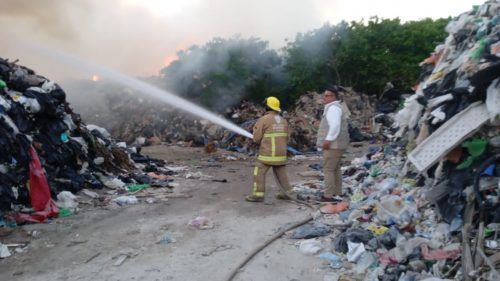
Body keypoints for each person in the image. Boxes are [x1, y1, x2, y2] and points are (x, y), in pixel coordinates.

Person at [246, 96, 293, 202]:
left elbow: (256, 139)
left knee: (259, 171)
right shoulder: (283, 120)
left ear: (267, 107)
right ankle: (288, 193)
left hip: (268, 153)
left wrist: (255, 133)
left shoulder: (264, 120)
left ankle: (258, 195)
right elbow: (288, 137)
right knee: (281, 172)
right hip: (281, 153)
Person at [316, 85, 349, 202]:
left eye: (327, 95)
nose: (325, 98)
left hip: (333, 145)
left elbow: (335, 126)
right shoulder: (337, 107)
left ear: (334, 96)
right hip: (339, 144)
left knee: (328, 169)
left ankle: (328, 195)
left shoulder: (333, 108)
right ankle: (337, 193)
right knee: (335, 169)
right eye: (324, 95)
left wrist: (328, 140)